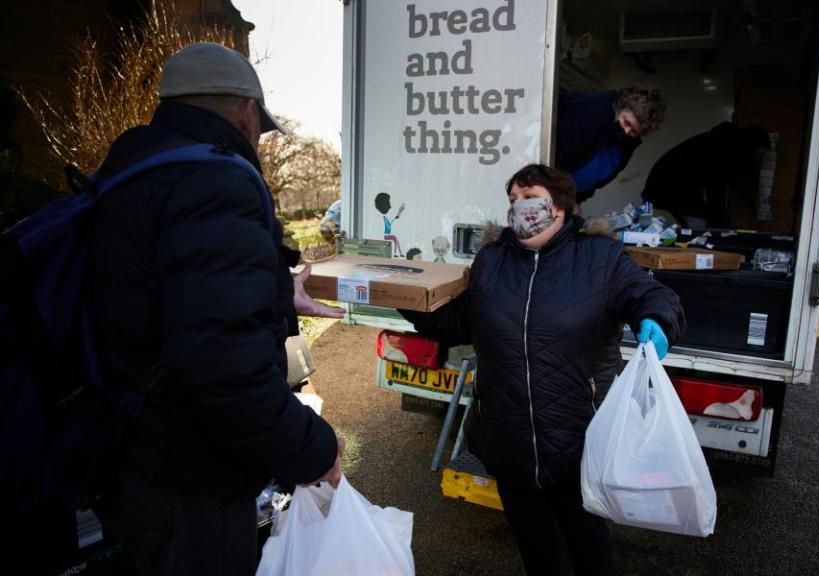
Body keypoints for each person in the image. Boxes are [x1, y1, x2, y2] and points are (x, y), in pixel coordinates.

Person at [89, 42, 345, 575]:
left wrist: (279, 294)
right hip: (189, 474)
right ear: (245, 109)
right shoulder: (216, 179)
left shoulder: (132, 170)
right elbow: (221, 364)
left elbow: (169, 302)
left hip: (132, 450)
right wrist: (312, 449)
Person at [400, 164, 685, 576]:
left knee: (589, 547)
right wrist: (407, 298)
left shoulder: (599, 257)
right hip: (508, 437)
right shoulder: (493, 260)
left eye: (529, 195)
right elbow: (458, 323)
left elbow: (650, 294)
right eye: (512, 200)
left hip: (577, 439)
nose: (520, 207)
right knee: (536, 552)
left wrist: (657, 319)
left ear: (560, 204)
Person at [642, 121, 771, 228]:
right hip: (670, 186)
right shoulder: (722, 149)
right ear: (750, 147)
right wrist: (720, 223)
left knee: (699, 220)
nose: (755, 159)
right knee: (699, 223)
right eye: (756, 154)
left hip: (668, 184)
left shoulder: (722, 142)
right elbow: (715, 189)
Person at [555, 85, 666, 204]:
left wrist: (574, 203)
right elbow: (556, 154)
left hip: (566, 199)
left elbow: (597, 181)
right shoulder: (593, 110)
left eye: (634, 131)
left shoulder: (626, 145)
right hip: (548, 187)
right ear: (622, 107)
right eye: (627, 122)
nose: (627, 132)